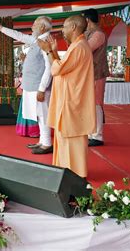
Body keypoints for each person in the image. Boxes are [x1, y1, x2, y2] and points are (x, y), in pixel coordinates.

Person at [38, 15, 96, 178]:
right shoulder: (77, 46)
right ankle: (66, 172)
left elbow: (56, 70)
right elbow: (62, 67)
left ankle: (74, 175)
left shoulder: (79, 47)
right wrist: (54, 51)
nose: (62, 30)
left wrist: (48, 50)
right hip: (69, 101)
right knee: (65, 141)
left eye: (64, 26)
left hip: (72, 102)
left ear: (73, 27)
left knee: (71, 140)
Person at [0, 16, 53, 154]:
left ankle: (47, 144)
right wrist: (1, 28)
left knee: (43, 115)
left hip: (39, 86)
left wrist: (42, 88)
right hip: (32, 85)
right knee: (38, 115)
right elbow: (19, 36)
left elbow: (49, 67)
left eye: (34, 25)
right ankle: (43, 141)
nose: (32, 27)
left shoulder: (45, 42)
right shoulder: (37, 40)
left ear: (42, 27)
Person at [83, 8, 109, 147]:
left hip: (97, 73)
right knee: (90, 103)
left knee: (96, 103)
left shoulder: (98, 34)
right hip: (90, 73)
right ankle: (91, 133)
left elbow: (85, 49)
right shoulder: (90, 33)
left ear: (87, 20)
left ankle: (97, 135)